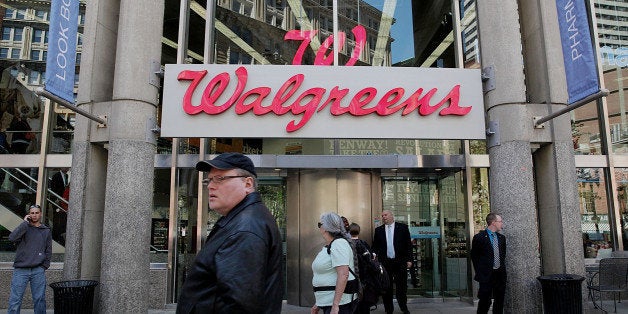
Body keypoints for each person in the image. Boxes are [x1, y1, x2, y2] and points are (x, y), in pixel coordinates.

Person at [176, 152, 283, 314]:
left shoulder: (246, 227)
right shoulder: (242, 219)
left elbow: (239, 304)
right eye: (209, 180)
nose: (211, 185)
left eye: (220, 178)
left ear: (248, 184)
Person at [7, 204, 52, 314]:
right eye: (32, 213)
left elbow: (48, 250)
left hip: (38, 270)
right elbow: (12, 238)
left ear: (40, 214)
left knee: (40, 300)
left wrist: (44, 266)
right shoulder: (24, 228)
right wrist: (24, 223)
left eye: (37, 213)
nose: (34, 215)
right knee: (15, 300)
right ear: (29, 214)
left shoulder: (46, 230)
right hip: (21, 270)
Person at [311, 212, 358, 314]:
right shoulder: (331, 245)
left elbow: (343, 274)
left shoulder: (339, 244)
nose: (319, 227)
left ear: (326, 228)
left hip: (340, 305)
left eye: (320, 224)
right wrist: (318, 303)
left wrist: (335, 306)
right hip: (329, 302)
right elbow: (329, 274)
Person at [372, 210, 412, 314]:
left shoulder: (402, 228)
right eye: (382, 216)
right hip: (385, 263)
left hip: (400, 262)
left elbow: (408, 245)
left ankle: (404, 308)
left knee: (401, 287)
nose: (384, 217)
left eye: (386, 215)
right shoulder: (379, 230)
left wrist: (409, 259)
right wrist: (374, 257)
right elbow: (375, 247)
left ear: (391, 215)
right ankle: (388, 310)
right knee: (387, 287)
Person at [471, 213, 506, 314]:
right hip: (486, 276)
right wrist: (481, 272)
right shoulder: (479, 237)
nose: (502, 224)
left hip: (500, 275)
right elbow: (474, 257)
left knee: (499, 301)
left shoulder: (501, 238)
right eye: (500, 221)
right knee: (485, 301)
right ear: (493, 223)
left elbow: (503, 255)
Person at [349, 223, 373, 314]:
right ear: (359, 231)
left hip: (351, 278)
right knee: (364, 304)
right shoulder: (364, 244)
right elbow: (370, 260)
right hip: (364, 278)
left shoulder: (346, 244)